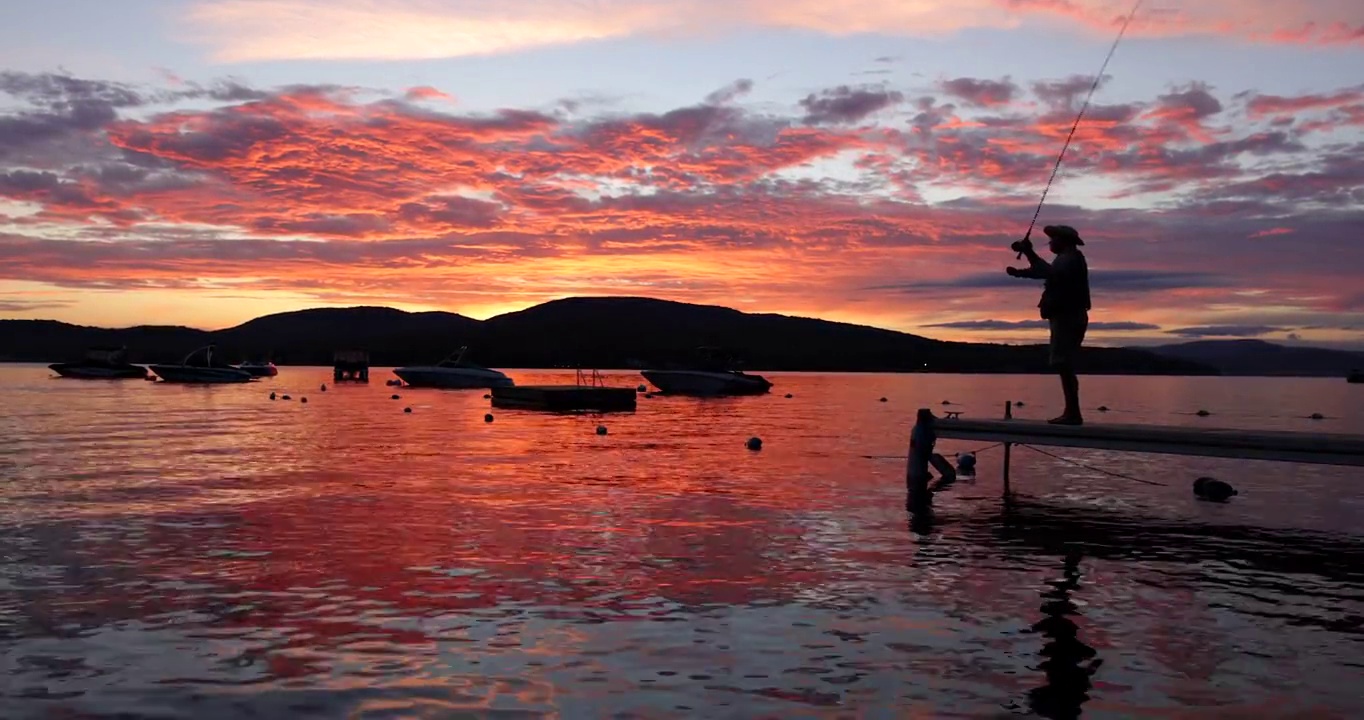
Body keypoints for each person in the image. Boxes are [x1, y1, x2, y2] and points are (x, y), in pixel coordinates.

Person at [1007, 225, 1090, 425]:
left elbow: (1048, 273)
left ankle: (1072, 413)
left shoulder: (1071, 258)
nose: (1050, 243)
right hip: (1065, 315)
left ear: (1063, 240)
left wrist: (1028, 251)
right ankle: (1071, 412)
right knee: (1063, 363)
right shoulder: (1066, 259)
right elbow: (1046, 272)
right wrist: (1020, 272)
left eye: (1052, 240)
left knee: (1063, 363)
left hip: (1068, 316)